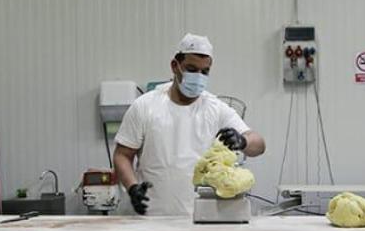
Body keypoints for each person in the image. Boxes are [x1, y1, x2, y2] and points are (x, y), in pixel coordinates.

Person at [113, 33, 265, 216]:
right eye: (191, 69)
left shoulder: (215, 109)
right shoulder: (145, 106)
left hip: (200, 219)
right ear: (174, 66)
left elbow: (258, 144)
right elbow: (122, 155)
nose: (198, 77)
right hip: (150, 219)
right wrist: (132, 187)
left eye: (205, 72)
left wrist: (243, 141)